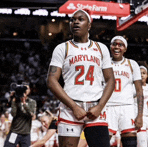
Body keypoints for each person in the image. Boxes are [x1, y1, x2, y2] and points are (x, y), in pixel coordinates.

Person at [46, 8, 115, 147]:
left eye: (80, 19)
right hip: (70, 108)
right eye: (73, 20)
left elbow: (111, 80)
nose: (75, 22)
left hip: (95, 107)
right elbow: (51, 80)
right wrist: (74, 106)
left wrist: (100, 106)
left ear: (89, 25)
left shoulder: (101, 48)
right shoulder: (62, 48)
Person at [106, 36, 143, 147]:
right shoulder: (104, 63)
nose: (117, 47)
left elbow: (139, 91)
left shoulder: (132, 64)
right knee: (101, 142)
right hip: (108, 106)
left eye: (120, 45)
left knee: (130, 143)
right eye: (114, 44)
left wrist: (140, 115)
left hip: (127, 107)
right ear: (110, 47)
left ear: (125, 49)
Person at [4, 82, 37, 147]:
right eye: (23, 88)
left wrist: (24, 103)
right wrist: (13, 101)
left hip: (26, 133)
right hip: (15, 132)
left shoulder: (32, 102)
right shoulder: (15, 100)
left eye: (26, 88)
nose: (25, 90)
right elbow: (13, 114)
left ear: (29, 90)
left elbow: (31, 114)